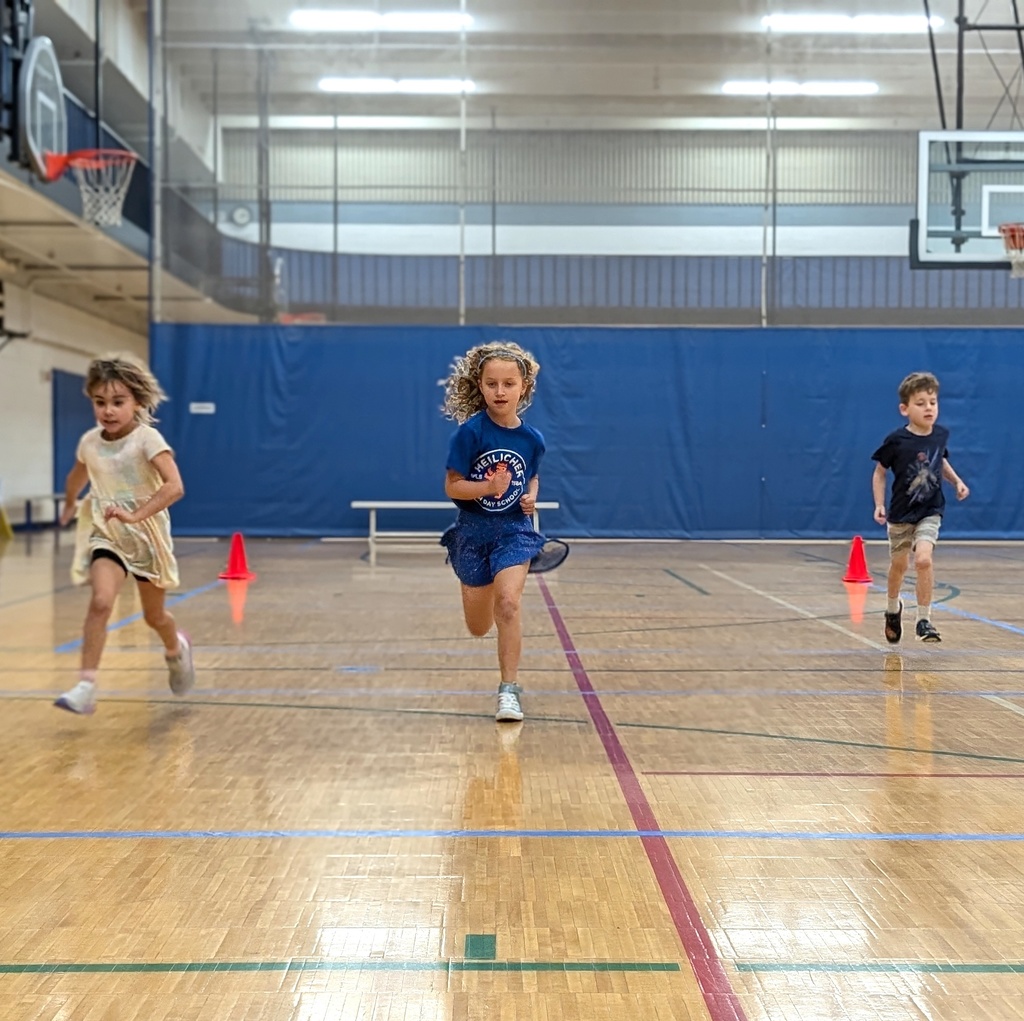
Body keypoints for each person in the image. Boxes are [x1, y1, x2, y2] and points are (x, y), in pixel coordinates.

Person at [55, 354, 195, 714]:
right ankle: (86, 685)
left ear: (136, 402)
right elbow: (76, 476)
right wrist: (70, 502)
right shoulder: (90, 442)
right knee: (101, 601)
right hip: (109, 534)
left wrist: (135, 515)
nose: (109, 411)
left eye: (118, 402)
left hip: (147, 536)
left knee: (154, 617)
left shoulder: (148, 439)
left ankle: (175, 648)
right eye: (100, 403)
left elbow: (175, 486)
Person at [440, 341, 547, 722]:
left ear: (524, 388)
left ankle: (509, 692)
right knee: (478, 625)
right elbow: (452, 487)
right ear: (480, 386)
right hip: (472, 533)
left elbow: (531, 475)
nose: (500, 391)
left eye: (508, 383)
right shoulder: (469, 434)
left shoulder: (532, 439)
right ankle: (476, 595)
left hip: (513, 532)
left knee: (508, 603)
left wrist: (530, 497)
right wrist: (486, 488)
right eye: (491, 384)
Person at [871, 371, 969, 644]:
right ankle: (893, 609)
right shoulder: (896, 441)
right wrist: (879, 504)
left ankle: (924, 619)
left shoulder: (939, 436)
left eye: (933, 402)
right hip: (901, 514)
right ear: (905, 409)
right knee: (899, 565)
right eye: (921, 402)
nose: (929, 408)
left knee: (924, 559)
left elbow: (941, 463)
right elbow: (879, 472)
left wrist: (957, 482)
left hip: (930, 510)